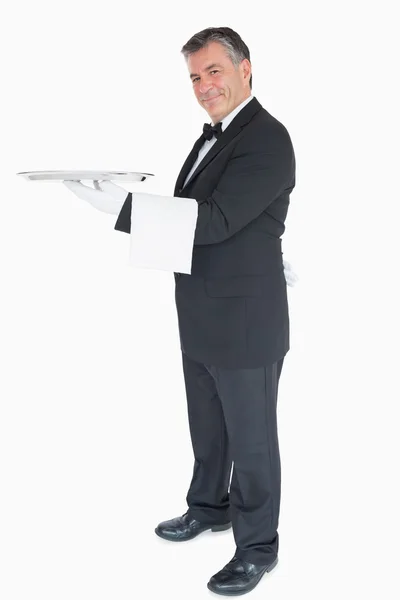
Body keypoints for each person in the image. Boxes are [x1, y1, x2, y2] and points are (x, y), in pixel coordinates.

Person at [64, 26, 297, 597]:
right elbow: (192, 217)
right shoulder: (210, 138)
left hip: (246, 320)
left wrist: (119, 207)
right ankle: (208, 508)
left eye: (214, 70)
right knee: (209, 430)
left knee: (252, 440)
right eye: (195, 76)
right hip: (200, 311)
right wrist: (131, 202)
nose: (203, 85)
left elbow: (213, 222)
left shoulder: (267, 138)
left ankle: (257, 547)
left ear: (246, 68)